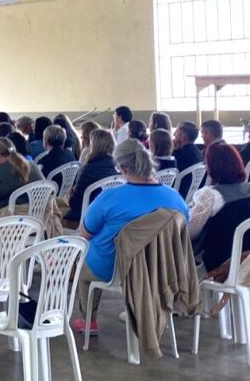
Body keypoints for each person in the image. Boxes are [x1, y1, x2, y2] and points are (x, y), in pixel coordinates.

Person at [72, 139, 189, 336]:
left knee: (83, 266)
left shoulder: (109, 197)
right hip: (160, 267)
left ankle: (88, 320)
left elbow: (85, 233)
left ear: (123, 167)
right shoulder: (175, 198)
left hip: (114, 269)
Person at [187, 143, 250, 240]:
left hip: (214, 251)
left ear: (212, 166)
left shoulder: (209, 195)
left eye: (206, 163)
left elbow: (190, 231)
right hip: (249, 250)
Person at [65, 129, 119, 229]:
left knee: (53, 219)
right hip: (108, 217)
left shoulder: (89, 169)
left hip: (86, 219)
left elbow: (75, 203)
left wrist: (70, 196)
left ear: (93, 146)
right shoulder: (116, 168)